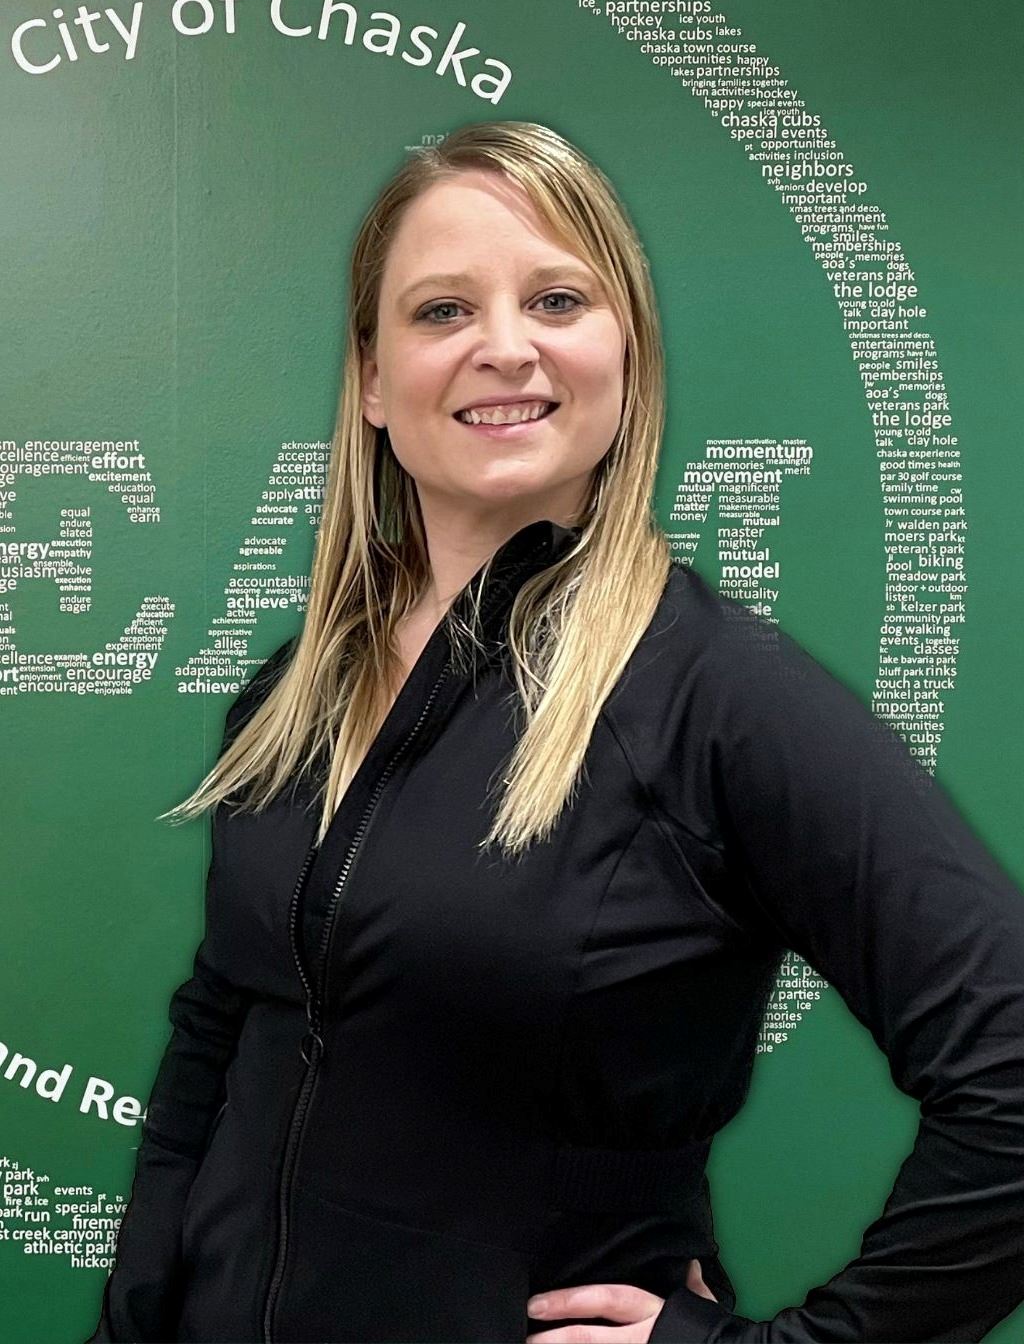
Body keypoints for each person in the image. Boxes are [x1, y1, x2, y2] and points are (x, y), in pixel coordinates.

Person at [87, 120, 1024, 1344]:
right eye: (440, 311)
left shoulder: (718, 699)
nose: (504, 347)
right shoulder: (294, 695)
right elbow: (223, 1033)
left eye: (557, 297)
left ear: (623, 353)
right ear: (371, 379)